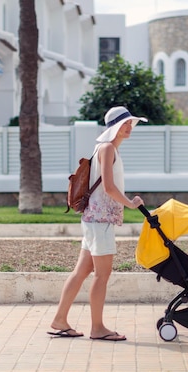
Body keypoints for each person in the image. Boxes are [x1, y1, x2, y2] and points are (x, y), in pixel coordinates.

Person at [49, 106, 146, 342]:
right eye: (125, 123)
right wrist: (131, 204)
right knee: (101, 275)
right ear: (114, 126)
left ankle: (59, 321)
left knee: (82, 271)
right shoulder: (108, 148)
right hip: (100, 221)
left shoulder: (104, 148)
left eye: (131, 123)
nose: (129, 127)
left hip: (93, 220)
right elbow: (109, 188)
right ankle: (98, 328)